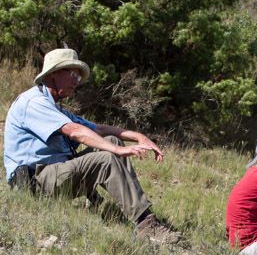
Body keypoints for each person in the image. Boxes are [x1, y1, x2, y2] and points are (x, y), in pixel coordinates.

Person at [3, 48, 180, 244]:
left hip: (52, 174)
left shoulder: (53, 106)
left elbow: (99, 129)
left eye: (78, 76)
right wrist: (118, 151)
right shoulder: (34, 102)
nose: (76, 81)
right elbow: (75, 131)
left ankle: (141, 215)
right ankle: (146, 226)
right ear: (53, 74)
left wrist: (138, 136)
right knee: (107, 157)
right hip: (35, 182)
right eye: (72, 74)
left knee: (112, 142)